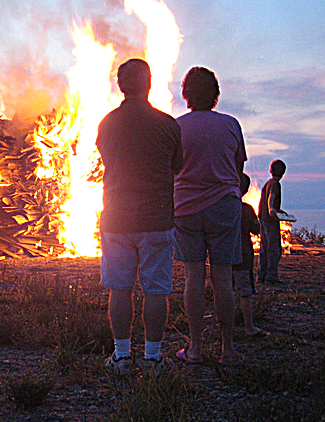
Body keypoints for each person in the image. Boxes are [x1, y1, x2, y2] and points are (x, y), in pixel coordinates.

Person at [96, 58, 183, 375]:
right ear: (149, 83)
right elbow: (178, 166)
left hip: (117, 219)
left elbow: (106, 160)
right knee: (155, 290)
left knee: (120, 289)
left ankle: (121, 357)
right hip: (157, 219)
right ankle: (153, 358)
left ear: (120, 86)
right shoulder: (167, 124)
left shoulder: (107, 123)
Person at [173, 66, 246, 366]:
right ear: (216, 93)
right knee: (223, 278)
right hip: (224, 207)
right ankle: (228, 349)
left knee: (193, 277)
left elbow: (172, 169)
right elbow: (238, 169)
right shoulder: (231, 124)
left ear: (186, 94)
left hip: (186, 208)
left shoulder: (176, 127)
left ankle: (196, 348)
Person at [233, 173, 265, 337]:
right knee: (245, 292)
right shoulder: (246, 209)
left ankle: (225, 324)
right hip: (243, 258)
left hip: (223, 257)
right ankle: (249, 326)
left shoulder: (223, 208)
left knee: (224, 290)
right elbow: (256, 229)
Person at [258, 159, 287, 284]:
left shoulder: (268, 183)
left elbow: (268, 199)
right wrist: (272, 210)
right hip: (270, 220)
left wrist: (278, 210)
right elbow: (271, 198)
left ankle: (261, 275)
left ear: (270, 170)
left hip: (263, 218)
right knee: (274, 248)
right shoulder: (275, 184)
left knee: (264, 247)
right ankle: (271, 276)